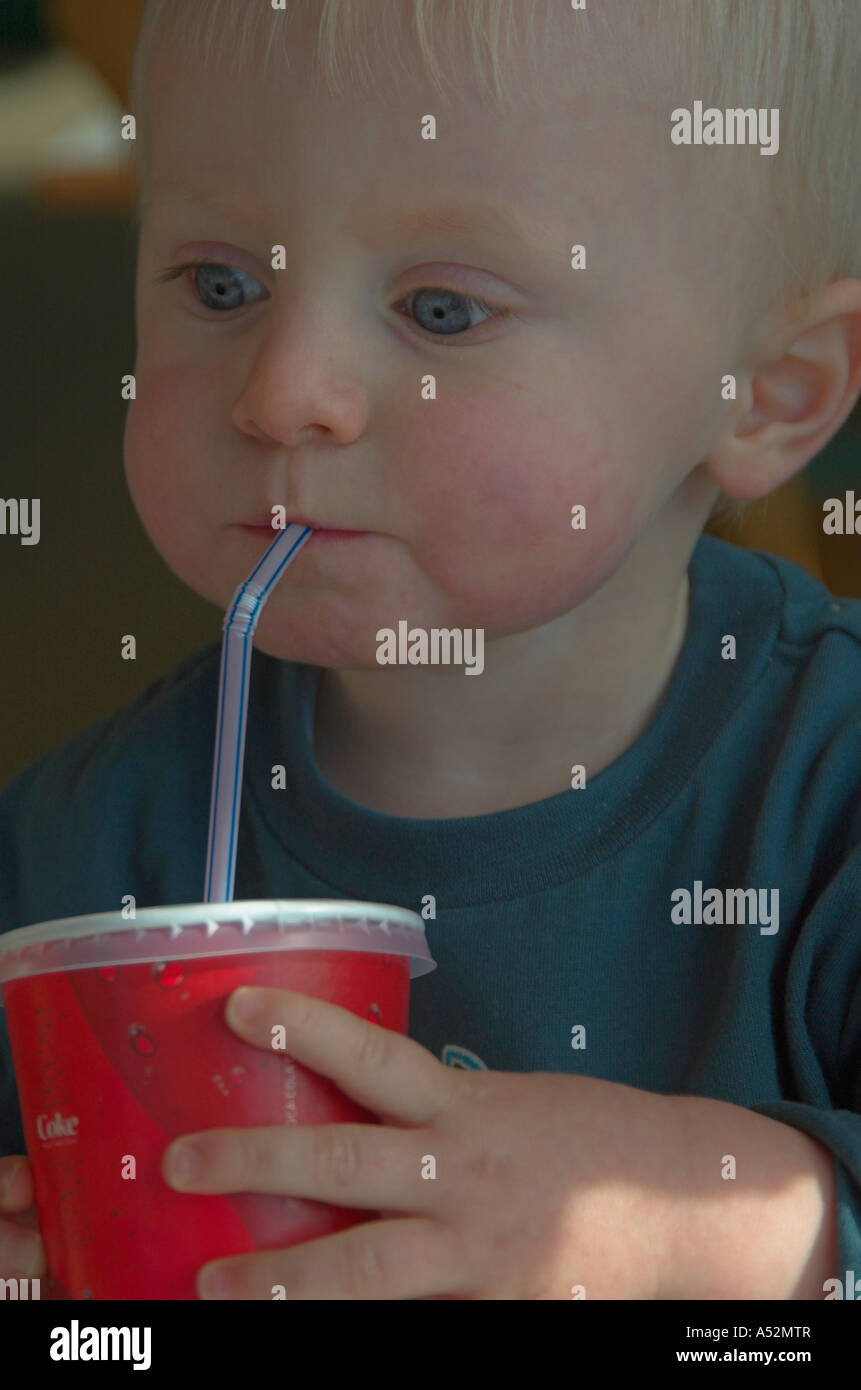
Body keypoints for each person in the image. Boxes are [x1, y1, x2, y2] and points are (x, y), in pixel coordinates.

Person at [1, 0, 860, 1300]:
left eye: (442, 310)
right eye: (222, 284)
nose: (284, 389)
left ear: (769, 391)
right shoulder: (73, 853)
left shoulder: (831, 789)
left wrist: (700, 1223)